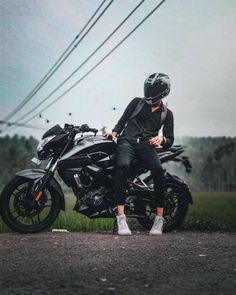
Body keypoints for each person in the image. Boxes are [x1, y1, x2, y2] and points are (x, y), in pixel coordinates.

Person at [105, 73, 174, 235]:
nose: (149, 94)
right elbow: (122, 121)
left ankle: (158, 220)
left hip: (146, 146)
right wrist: (114, 132)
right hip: (126, 141)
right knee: (122, 167)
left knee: (158, 171)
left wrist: (161, 139)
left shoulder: (167, 114)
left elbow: (169, 140)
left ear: (162, 92)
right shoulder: (136, 102)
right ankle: (121, 218)